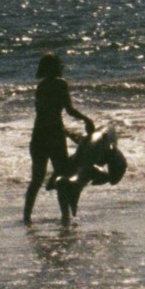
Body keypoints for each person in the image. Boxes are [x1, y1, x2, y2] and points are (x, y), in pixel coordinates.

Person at [24, 53, 92, 221]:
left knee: (36, 179)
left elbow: (44, 115)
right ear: (55, 67)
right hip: (54, 137)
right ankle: (65, 216)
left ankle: (26, 217)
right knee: (62, 177)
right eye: (59, 64)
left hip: (38, 136)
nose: (62, 67)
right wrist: (86, 119)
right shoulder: (61, 84)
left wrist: (66, 132)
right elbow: (69, 110)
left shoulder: (41, 86)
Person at [54, 124, 127, 224]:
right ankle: (67, 211)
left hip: (81, 160)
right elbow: (116, 175)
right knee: (80, 178)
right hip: (89, 163)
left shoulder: (94, 141)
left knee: (75, 178)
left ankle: (66, 216)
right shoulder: (109, 144)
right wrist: (111, 177)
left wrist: (69, 133)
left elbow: (82, 140)